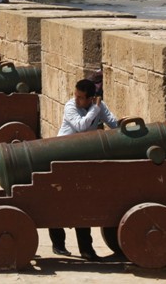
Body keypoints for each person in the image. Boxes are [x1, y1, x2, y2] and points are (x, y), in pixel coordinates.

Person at [49, 78, 119, 261]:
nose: (76, 98)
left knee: (82, 202)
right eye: (76, 95)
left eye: (80, 97)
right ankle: (58, 244)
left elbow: (113, 123)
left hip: (82, 159)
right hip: (62, 157)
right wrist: (95, 109)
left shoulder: (98, 106)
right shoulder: (71, 106)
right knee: (57, 202)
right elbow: (81, 126)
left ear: (90, 98)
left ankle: (86, 249)